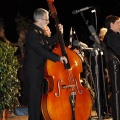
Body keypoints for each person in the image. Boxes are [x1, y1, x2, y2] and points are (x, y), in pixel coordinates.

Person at [23, 8, 67, 120]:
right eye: (46, 19)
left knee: (39, 99)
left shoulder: (39, 32)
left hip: (39, 70)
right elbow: (40, 50)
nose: (48, 22)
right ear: (38, 19)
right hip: (33, 71)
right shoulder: (32, 32)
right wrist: (58, 58)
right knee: (34, 100)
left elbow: (48, 43)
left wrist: (59, 34)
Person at [103, 15, 120, 120]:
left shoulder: (115, 35)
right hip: (114, 66)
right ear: (111, 24)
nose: (119, 25)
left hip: (116, 65)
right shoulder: (110, 35)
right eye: (118, 23)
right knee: (117, 90)